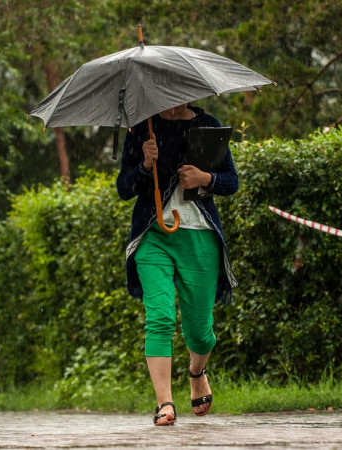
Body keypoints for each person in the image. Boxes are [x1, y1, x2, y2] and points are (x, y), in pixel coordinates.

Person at [116, 103, 239, 426]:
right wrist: (144, 164)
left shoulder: (208, 126)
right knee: (160, 316)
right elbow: (123, 189)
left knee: (199, 333)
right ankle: (164, 403)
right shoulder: (143, 130)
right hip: (152, 236)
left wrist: (205, 178)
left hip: (199, 237)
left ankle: (197, 371)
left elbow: (231, 181)